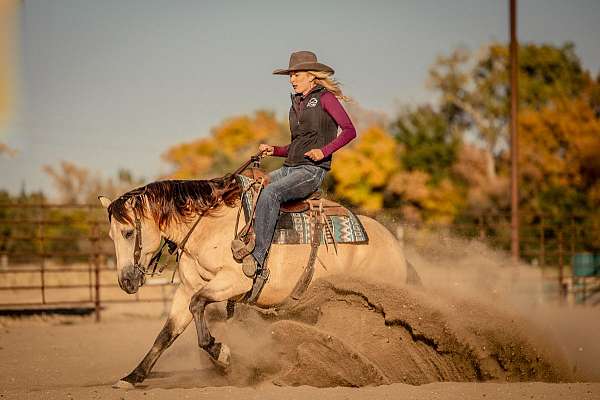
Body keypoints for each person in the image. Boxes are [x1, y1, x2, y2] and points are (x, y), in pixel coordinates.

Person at [236, 50, 357, 278]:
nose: (292, 80)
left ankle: (259, 259)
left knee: (271, 193)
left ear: (312, 76)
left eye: (297, 75)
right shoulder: (296, 105)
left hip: (311, 171)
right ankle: (250, 236)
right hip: (290, 167)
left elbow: (350, 131)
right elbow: (297, 146)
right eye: (290, 75)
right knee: (250, 186)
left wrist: (324, 151)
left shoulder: (325, 98)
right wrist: (275, 150)